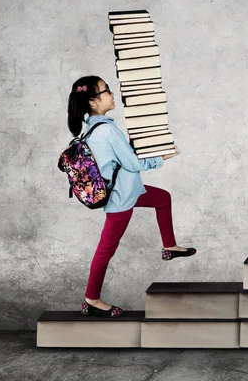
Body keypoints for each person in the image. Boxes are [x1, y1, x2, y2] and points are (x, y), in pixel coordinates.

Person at [67, 75, 196, 318]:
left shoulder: (92, 129)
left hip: (129, 191)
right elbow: (133, 164)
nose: (112, 95)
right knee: (105, 250)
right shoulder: (107, 131)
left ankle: (169, 246)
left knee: (162, 198)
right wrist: (163, 157)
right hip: (120, 200)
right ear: (94, 102)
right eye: (106, 91)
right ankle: (91, 299)